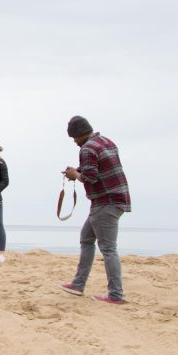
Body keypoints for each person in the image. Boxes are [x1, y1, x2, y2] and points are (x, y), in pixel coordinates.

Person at [59, 116, 131, 303]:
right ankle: (78, 284)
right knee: (87, 239)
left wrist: (76, 174)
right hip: (115, 199)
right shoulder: (105, 141)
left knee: (108, 249)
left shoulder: (87, 148)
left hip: (106, 201)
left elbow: (91, 177)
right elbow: (96, 169)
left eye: (74, 138)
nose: (74, 142)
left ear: (79, 134)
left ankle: (115, 294)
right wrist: (76, 171)